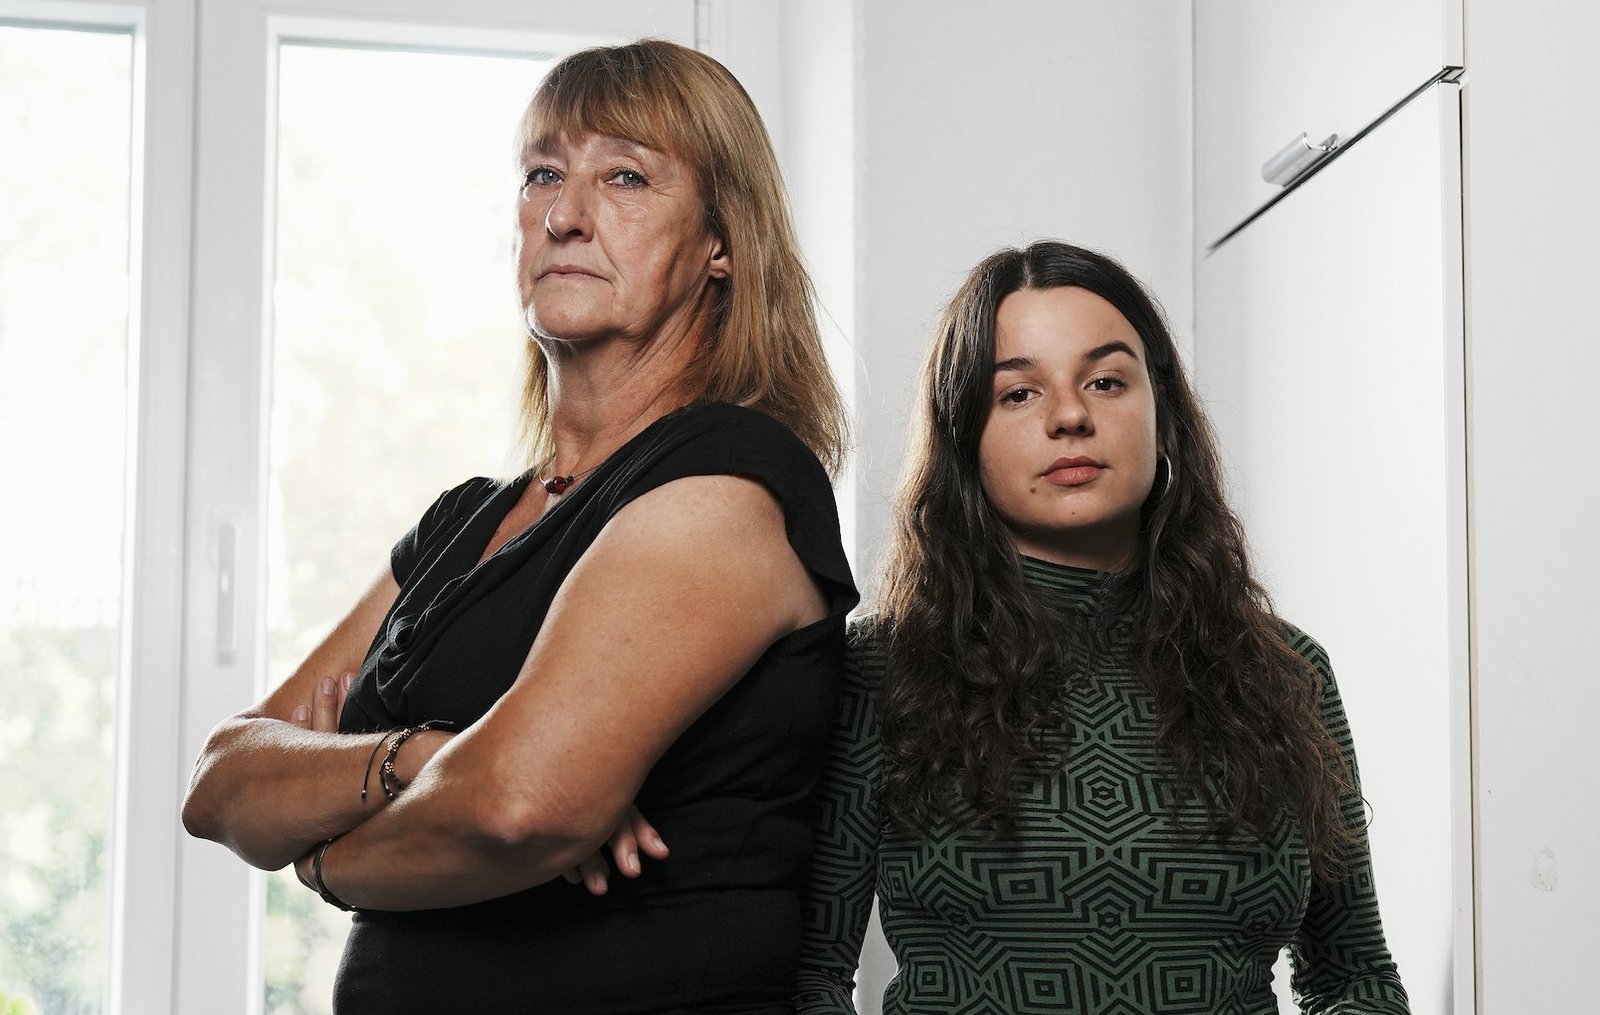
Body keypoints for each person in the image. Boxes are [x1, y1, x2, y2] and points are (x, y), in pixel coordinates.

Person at [182, 39, 857, 1014]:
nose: (565, 213)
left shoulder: (729, 473)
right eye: (543, 173)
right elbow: (220, 783)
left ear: (723, 242)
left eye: (625, 175)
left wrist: (321, 853)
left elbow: (519, 807)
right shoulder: (468, 519)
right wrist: (425, 757)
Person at [793, 241, 1409, 1014]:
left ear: (1164, 416)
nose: (1071, 415)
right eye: (1018, 393)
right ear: (964, 437)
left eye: (1107, 380)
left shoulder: (1288, 670)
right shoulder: (883, 669)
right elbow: (809, 979)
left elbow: (1355, 977)